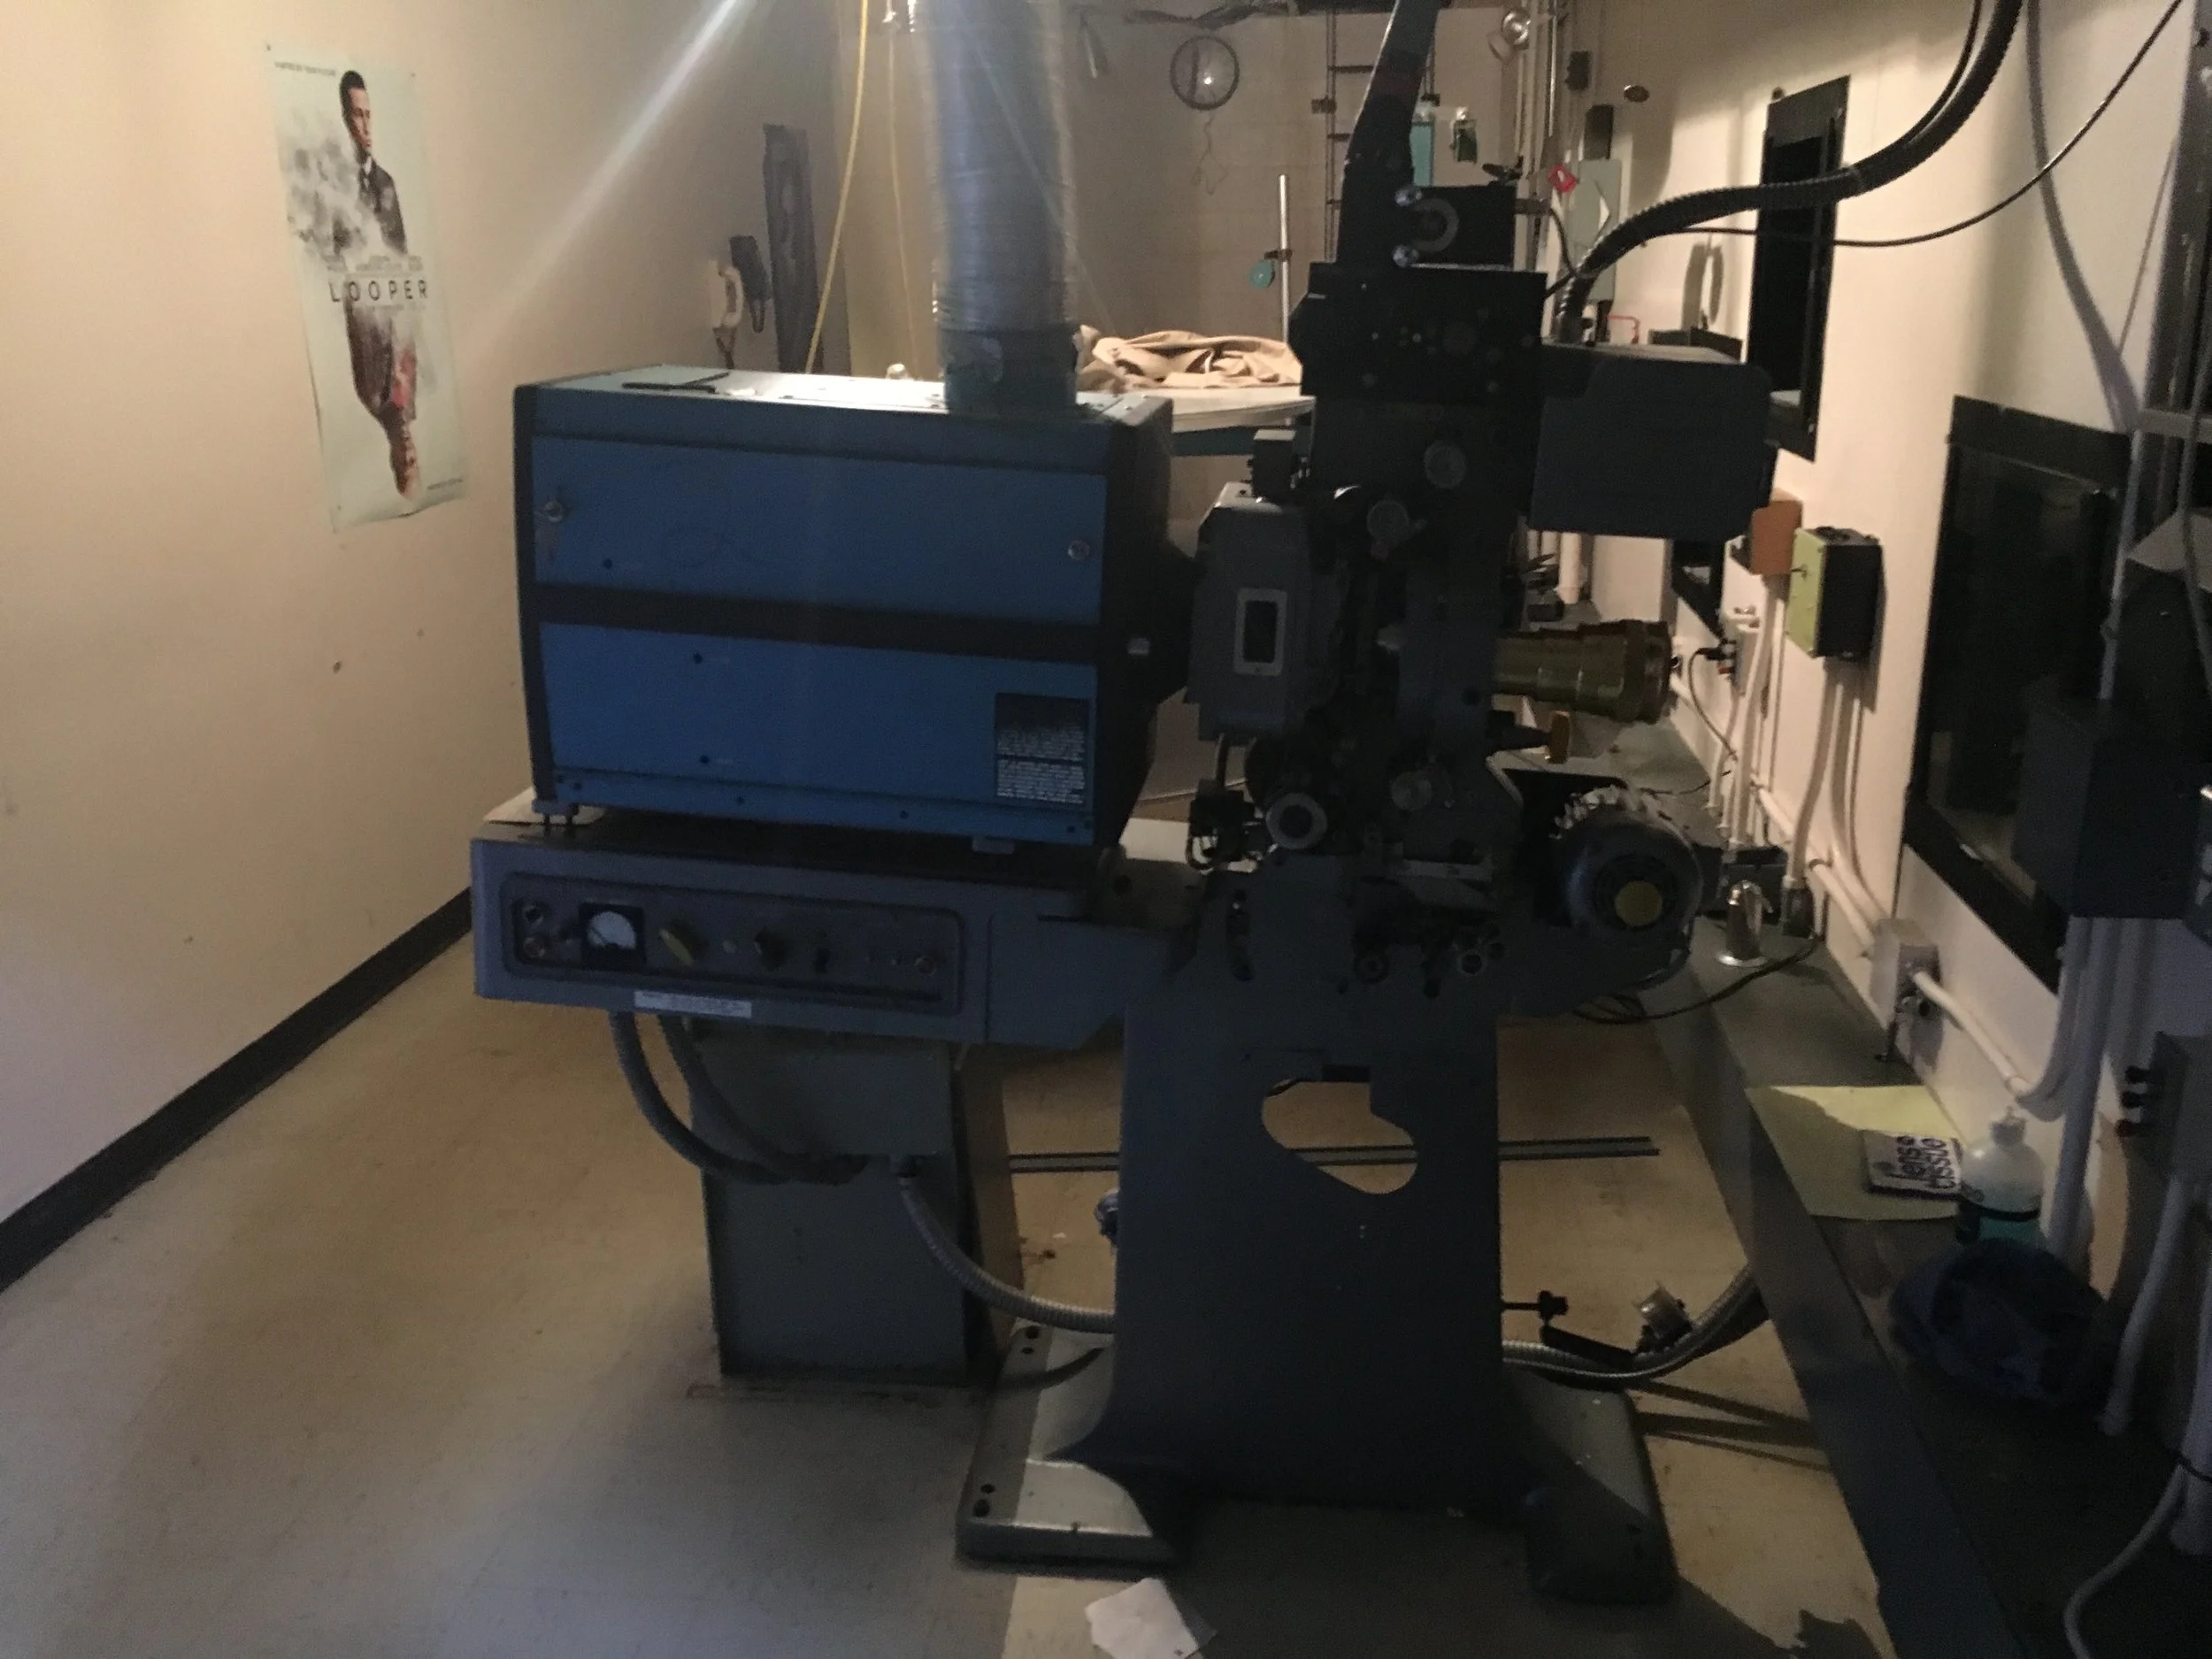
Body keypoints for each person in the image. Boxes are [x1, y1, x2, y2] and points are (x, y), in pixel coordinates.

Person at [336, 70, 419, 495]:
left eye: (370, 115)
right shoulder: (337, 187)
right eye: (357, 116)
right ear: (345, 119)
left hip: (392, 319)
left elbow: (402, 256)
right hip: (369, 320)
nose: (366, 126)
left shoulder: (386, 183)